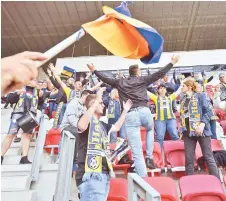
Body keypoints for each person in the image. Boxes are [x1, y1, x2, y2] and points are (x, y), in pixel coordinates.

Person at [87, 55, 180, 176]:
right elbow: (159, 73)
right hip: (144, 111)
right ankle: (149, 157)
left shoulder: (120, 82)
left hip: (130, 114)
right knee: (150, 129)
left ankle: (143, 180)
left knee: (136, 152)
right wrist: (172, 62)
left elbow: (106, 79)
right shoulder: (142, 79)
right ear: (138, 72)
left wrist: (94, 70)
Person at [76, 88, 133, 201]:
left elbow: (116, 127)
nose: (103, 105)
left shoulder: (102, 124)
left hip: (103, 174)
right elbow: (81, 126)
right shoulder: (86, 120)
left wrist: (125, 111)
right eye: (101, 103)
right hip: (91, 174)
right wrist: (97, 99)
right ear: (93, 104)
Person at [180, 80, 220, 180]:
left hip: (202, 130)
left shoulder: (201, 96)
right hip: (188, 132)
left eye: (183, 86)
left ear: (189, 87)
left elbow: (209, 112)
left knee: (208, 157)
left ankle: (217, 182)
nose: (181, 88)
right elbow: (183, 116)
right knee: (189, 159)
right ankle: (189, 184)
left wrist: (202, 124)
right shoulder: (182, 100)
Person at [1, 79, 38, 164]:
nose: (36, 82)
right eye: (34, 80)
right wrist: (18, 93)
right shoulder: (19, 87)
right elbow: (9, 99)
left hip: (30, 115)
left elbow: (40, 103)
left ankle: (24, 157)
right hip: (18, 113)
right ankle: (1, 156)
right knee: (11, 134)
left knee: (27, 135)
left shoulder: (37, 91)